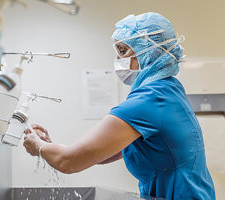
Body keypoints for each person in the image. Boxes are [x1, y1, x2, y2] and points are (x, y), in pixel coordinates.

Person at [23, 12, 215, 199]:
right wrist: (50, 147)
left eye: (123, 51)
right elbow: (97, 154)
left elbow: (69, 162)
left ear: (147, 50)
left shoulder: (148, 101)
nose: (117, 60)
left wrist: (38, 146)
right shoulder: (168, 89)